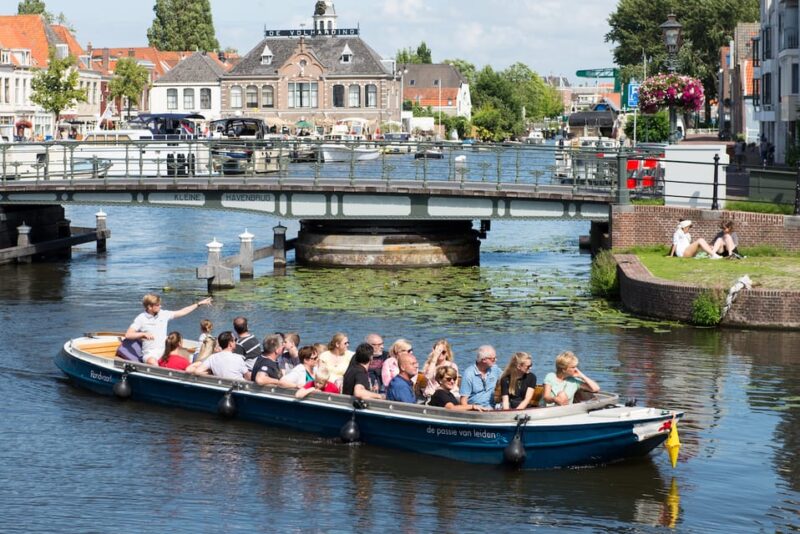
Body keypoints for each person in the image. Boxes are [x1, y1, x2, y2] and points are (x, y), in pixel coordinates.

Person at [125, 293, 212, 365]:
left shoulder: (163, 314)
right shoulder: (141, 318)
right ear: (149, 307)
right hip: (150, 353)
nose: (160, 306)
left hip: (166, 351)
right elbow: (128, 335)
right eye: (157, 305)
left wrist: (199, 304)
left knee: (186, 357)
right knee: (153, 363)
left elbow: (182, 311)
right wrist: (142, 334)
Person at [460, 345, 501, 409]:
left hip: (493, 406)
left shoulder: (495, 369)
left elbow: (507, 376)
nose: (496, 360)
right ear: (484, 360)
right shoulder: (469, 374)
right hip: (476, 409)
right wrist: (472, 409)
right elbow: (463, 401)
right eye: (493, 359)